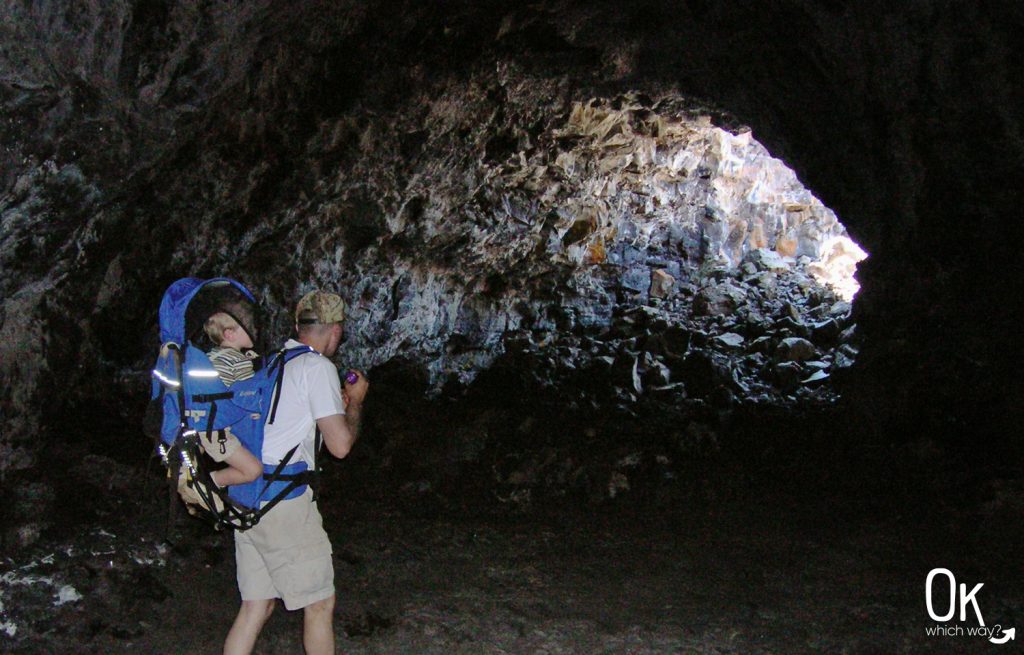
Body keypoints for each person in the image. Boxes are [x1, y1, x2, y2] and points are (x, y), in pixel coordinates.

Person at [223, 290, 368, 655]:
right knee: (319, 604)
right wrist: (357, 405)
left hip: (247, 497)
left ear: (297, 326)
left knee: (257, 605)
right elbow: (340, 447)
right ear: (335, 331)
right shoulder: (318, 368)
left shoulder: (272, 364)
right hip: (283, 505)